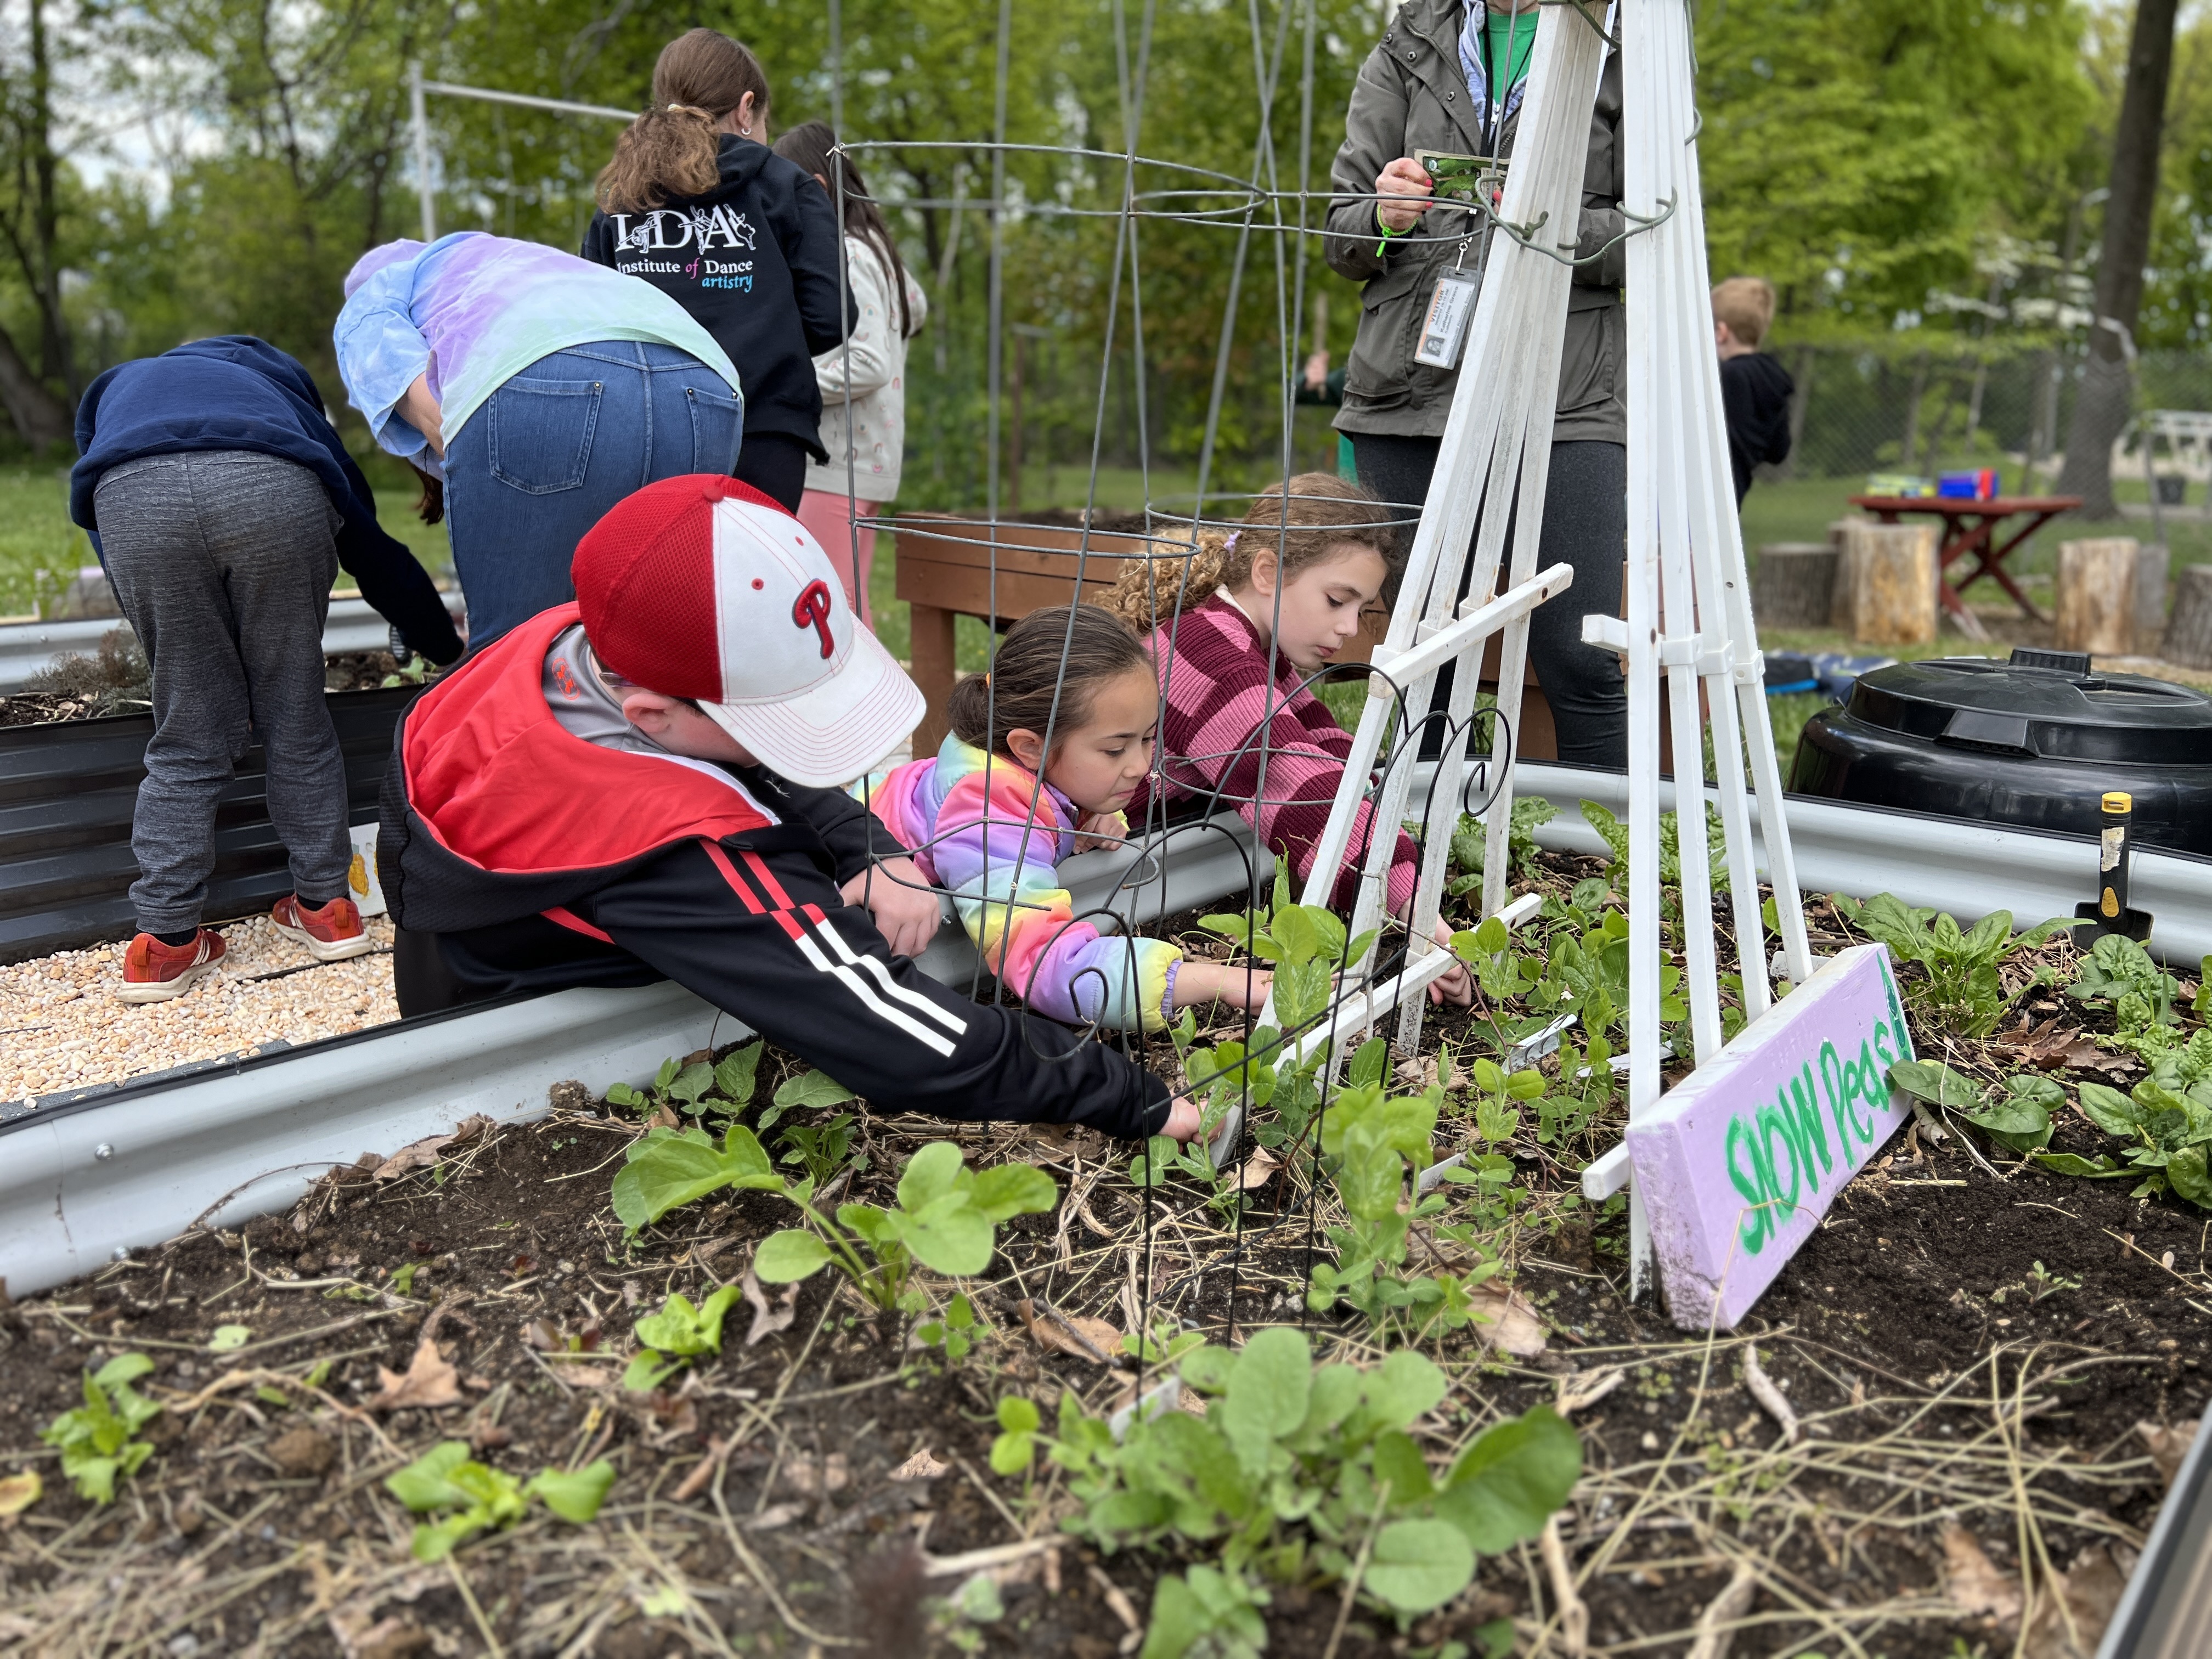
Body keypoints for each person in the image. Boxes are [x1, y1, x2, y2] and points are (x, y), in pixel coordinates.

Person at [379, 473, 1197, 1142]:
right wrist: (1128, 1095)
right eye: (776, 723)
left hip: (457, 953)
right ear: (653, 717)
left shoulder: (560, 645)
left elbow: (756, 763)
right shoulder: (678, 858)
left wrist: (865, 844)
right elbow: (891, 1033)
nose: (797, 742)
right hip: (522, 1065)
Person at [68, 336, 465, 1002]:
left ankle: (163, 943)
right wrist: (447, 650)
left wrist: (165, 626)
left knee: (189, 729)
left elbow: (98, 497)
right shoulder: (283, 398)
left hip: (135, 499)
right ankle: (327, 910)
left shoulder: (120, 385)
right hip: (275, 487)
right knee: (294, 712)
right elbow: (368, 545)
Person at [1323, 0, 1628, 768]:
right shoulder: (1409, 41)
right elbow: (1340, 231)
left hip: (1566, 398)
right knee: (1423, 652)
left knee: (1579, 654)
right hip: (1405, 395)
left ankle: (1614, 841)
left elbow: (1657, 233)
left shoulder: (1625, 46)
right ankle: (1416, 831)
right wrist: (1386, 215)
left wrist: (1547, 222)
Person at [1104, 473, 1473, 1005]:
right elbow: (1298, 788)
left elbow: (1323, 744)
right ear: (1268, 572)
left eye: (1361, 609)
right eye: (1337, 600)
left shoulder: (1241, 643)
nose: (1350, 627)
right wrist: (1418, 913)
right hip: (1081, 854)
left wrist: (1381, 815)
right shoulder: (1213, 662)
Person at [864, 606, 1271, 1032]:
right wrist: (1218, 980)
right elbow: (1045, 963)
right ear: (1030, 748)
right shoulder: (985, 812)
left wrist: (1090, 814)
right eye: (1115, 750)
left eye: (1149, 738)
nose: (1140, 766)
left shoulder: (1010, 763)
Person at [335, 231, 744, 653]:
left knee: (518, 653)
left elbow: (436, 421)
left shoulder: (371, 300)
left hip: (545, 377)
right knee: (654, 649)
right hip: (707, 378)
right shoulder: (508, 261)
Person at [580, 29, 853, 514]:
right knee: (749, 565)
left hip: (644, 431)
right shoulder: (787, 187)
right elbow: (831, 316)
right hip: (763, 434)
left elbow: (591, 325)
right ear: (746, 109)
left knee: (656, 564)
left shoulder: (621, 202)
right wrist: (770, 340)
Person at [771, 121, 929, 624]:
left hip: (840, 462)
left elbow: (869, 362)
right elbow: (916, 308)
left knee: (829, 613)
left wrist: (785, 385)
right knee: (846, 607)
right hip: (867, 462)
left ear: (816, 189)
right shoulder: (878, 249)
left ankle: (860, 682)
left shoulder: (848, 252)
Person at [1713, 276, 1795, 506]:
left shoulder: (1724, 377)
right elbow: (1779, 451)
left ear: (1721, 332)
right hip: (1736, 493)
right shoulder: (1775, 378)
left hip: (1705, 491)